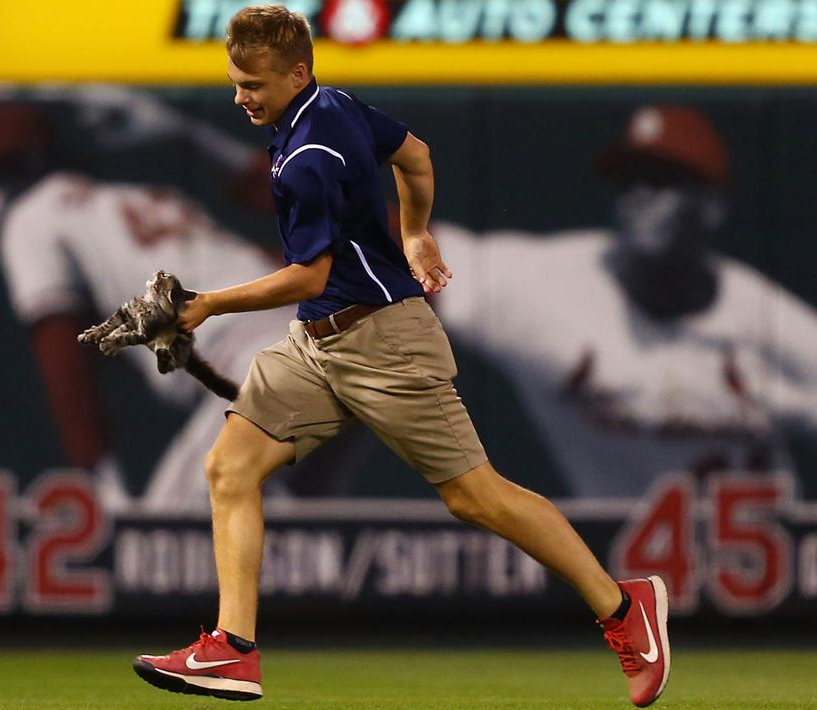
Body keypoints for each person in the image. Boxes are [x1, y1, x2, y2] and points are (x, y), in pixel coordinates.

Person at [132, 6, 669, 707]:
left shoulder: (306, 158)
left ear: (296, 73)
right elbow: (414, 154)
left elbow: (308, 275)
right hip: (318, 341)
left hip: (383, 342)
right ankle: (232, 650)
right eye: (234, 81)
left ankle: (623, 609)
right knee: (229, 466)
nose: (240, 96)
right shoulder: (333, 107)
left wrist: (203, 306)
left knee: (474, 496)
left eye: (253, 84)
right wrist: (414, 234)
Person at [0, 102, 373, 512]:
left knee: (160, 547)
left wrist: (101, 483)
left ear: (26, 166)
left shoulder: (30, 217)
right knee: (298, 559)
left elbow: (62, 360)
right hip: (336, 349)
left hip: (262, 360)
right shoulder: (128, 199)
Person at [432, 105, 817, 498]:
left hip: (760, 554)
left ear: (711, 207)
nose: (640, 196)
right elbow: (401, 246)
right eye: (628, 182)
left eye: (662, 181)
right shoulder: (550, 287)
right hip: (614, 554)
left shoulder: (768, 322)